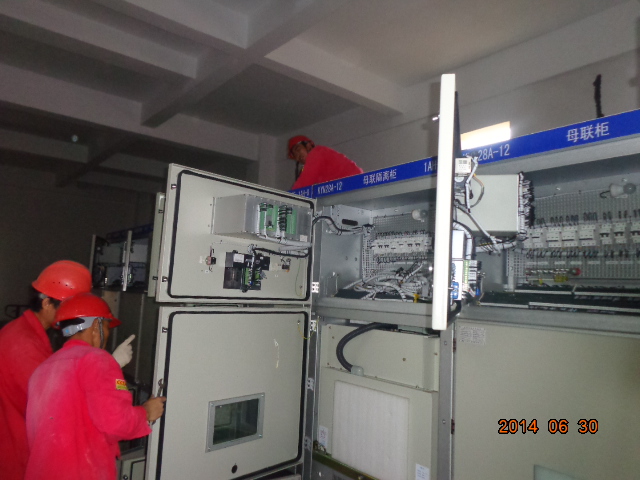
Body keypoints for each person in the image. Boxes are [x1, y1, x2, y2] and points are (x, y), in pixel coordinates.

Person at [25, 293, 166, 480]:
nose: (107, 335)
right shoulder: (97, 359)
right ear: (96, 325)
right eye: (106, 327)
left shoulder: (43, 368)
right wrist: (146, 412)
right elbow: (116, 423)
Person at [0, 260, 92, 480]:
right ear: (47, 303)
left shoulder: (27, 333)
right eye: (68, 309)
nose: (72, 317)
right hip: (16, 457)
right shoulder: (24, 345)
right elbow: (55, 408)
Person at [288, 135, 363, 190]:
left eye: (298, 149)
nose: (297, 156)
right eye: (295, 155)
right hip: (349, 187)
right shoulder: (316, 166)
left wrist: (288, 200)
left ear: (308, 145)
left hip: (353, 184)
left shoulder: (317, 152)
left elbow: (303, 183)